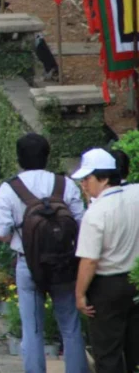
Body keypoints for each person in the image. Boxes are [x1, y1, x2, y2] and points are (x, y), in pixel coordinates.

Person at [0, 134, 87, 373]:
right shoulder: (65, 184)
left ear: (19, 158)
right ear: (47, 156)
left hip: (28, 265)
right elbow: (83, 223)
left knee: (32, 329)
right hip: (65, 264)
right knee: (71, 327)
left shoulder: (10, 188)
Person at [72, 148, 139, 373]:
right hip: (135, 278)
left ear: (103, 177)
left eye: (87, 179)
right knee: (134, 347)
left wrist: (80, 294)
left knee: (107, 352)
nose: (84, 184)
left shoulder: (96, 212)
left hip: (106, 286)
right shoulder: (135, 195)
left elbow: (89, 260)